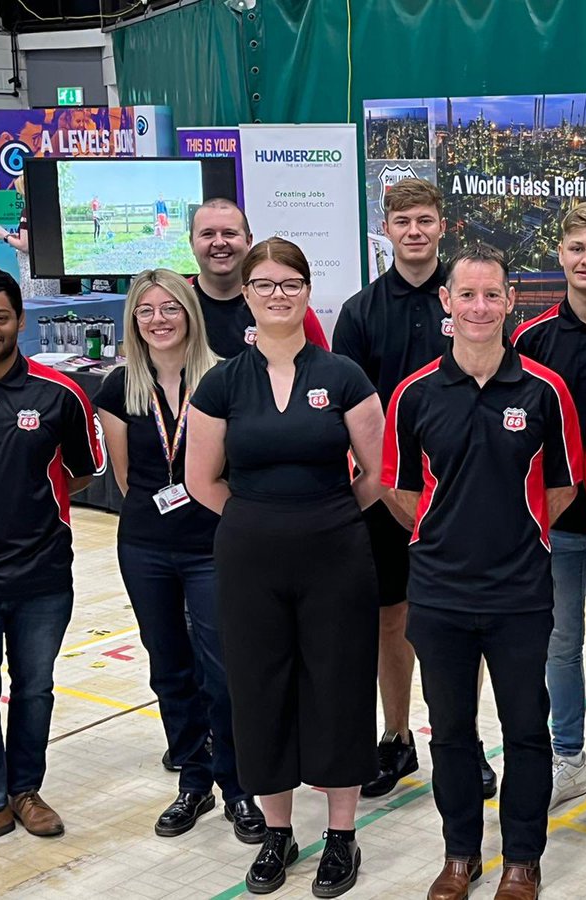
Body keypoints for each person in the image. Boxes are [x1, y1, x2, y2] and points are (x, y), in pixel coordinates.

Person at [186, 238, 384, 897]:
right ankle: (278, 832)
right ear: (246, 294)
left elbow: (378, 473)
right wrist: (259, 518)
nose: (278, 294)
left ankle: (342, 835)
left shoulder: (344, 376)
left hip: (336, 555)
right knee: (258, 688)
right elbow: (201, 480)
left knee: (339, 685)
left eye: (290, 283)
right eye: (265, 284)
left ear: (306, 291)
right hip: (250, 560)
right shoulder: (221, 383)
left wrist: (324, 514)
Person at [382, 244, 581, 900]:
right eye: (466, 294)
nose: (479, 306)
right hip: (438, 593)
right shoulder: (414, 394)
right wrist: (446, 534)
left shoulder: (545, 391)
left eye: (492, 294)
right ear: (447, 302)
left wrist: (512, 534)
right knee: (451, 732)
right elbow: (399, 489)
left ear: (509, 302)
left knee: (525, 729)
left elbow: (562, 488)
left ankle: (522, 859)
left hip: (521, 593)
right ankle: (459, 855)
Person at [94, 269, 265, 844]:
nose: (159, 319)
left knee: (223, 669)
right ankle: (194, 779)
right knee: (168, 666)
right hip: (146, 547)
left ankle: (237, 785)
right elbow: (127, 480)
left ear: (189, 313)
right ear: (133, 320)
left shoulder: (225, 378)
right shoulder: (118, 388)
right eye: (146, 310)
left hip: (211, 545)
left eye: (170, 307)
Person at [332, 177, 490, 800]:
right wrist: (385, 488)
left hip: (464, 494)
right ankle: (396, 738)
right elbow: (347, 411)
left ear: (442, 225)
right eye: (403, 222)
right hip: (387, 494)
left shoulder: (470, 300)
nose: (415, 231)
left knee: (463, 623)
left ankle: (464, 740)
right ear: (387, 230)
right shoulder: (360, 313)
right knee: (390, 617)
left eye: (425, 220)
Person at [0, 268, 104, 859]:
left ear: (19, 319)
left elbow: (81, 472)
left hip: (42, 576)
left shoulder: (59, 393)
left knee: (35, 689)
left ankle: (25, 791)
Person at [510, 200, 586, 812]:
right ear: (559, 254)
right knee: (559, 647)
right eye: (577, 248)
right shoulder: (529, 339)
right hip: (554, 525)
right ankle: (569, 759)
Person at [188, 198, 330, 358]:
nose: (219, 242)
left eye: (229, 233)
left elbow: (323, 367)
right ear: (192, 243)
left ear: (249, 241)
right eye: (207, 234)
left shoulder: (289, 308)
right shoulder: (176, 301)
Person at [0, 173, 59, 298]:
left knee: (34, 305)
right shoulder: (49, 209)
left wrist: (5, 237)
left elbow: (25, 246)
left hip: (32, 273)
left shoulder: (27, 211)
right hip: (50, 271)